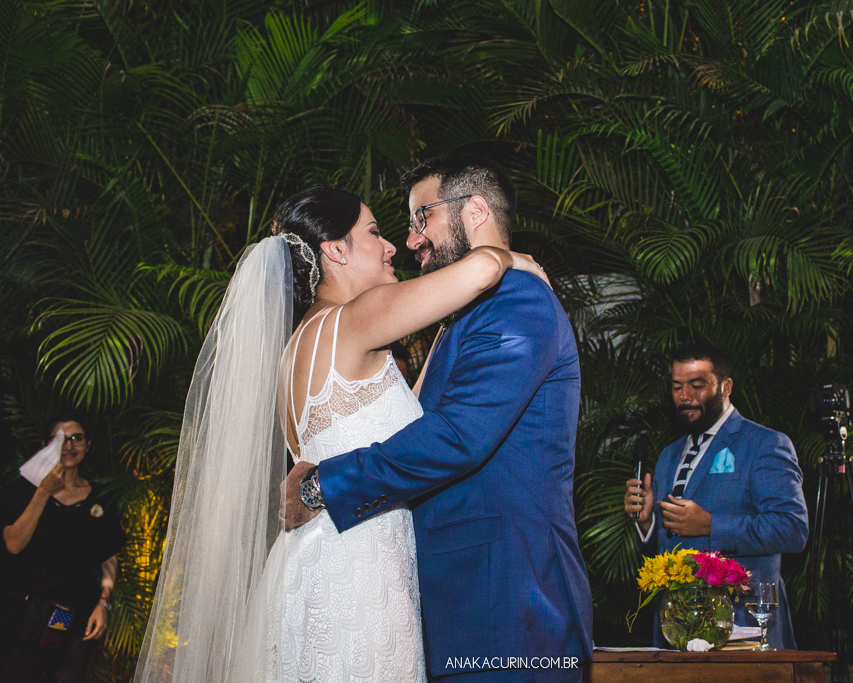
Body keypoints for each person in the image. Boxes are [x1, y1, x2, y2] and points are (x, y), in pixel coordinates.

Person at [134, 186, 549, 682]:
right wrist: (512, 256)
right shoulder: (355, 319)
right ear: (334, 249)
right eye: (373, 233)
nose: (391, 245)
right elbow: (481, 270)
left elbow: (405, 413)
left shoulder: (298, 346)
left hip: (310, 563)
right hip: (358, 572)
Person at [284, 155, 594, 681]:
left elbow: (459, 436)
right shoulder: (453, 313)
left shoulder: (518, 300)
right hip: (447, 600)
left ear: (474, 209)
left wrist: (322, 487)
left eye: (419, 217)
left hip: (509, 604)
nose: (408, 241)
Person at [623, 343, 808, 650]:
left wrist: (710, 524)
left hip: (744, 628)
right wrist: (646, 524)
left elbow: (792, 530)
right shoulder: (669, 455)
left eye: (698, 385)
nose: (686, 396)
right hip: (676, 631)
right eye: (677, 387)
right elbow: (667, 544)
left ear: (726, 387)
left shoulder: (765, 444)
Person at [0, 416, 124, 683]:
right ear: (46, 445)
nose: (68, 445)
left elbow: (108, 557)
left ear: (88, 445)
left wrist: (103, 603)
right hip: (23, 617)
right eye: (59, 438)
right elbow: (13, 544)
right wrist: (43, 491)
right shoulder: (22, 489)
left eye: (76, 438)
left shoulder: (102, 496)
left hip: (76, 620)